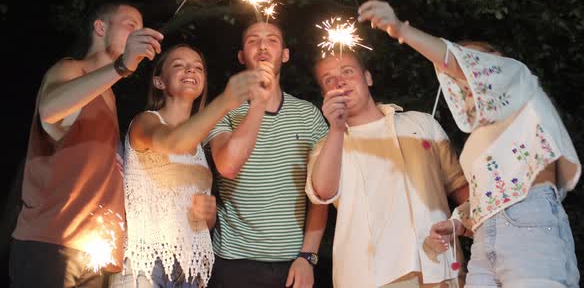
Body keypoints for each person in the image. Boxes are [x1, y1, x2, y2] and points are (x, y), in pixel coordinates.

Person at [357, 0, 581, 287]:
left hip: (530, 222)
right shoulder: (478, 139)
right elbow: (485, 193)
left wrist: (400, 29)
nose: (466, 77)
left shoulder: (518, 77)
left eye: (474, 63)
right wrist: (457, 223)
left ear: (495, 60)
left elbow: (454, 61)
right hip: (485, 239)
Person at [10, 2, 164, 287]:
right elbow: (51, 110)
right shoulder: (70, 69)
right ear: (100, 28)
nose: (138, 33)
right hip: (53, 242)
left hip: (95, 251)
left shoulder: (110, 98)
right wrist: (121, 67)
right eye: (130, 25)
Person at [305, 51, 469, 288]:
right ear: (325, 95)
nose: (340, 81)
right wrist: (337, 129)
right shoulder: (326, 147)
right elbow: (323, 192)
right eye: (329, 79)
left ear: (368, 78)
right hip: (369, 278)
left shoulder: (422, 124)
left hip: (440, 269)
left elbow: (462, 190)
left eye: (348, 72)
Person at [108, 44, 265, 288]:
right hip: (146, 266)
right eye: (179, 65)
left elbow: (203, 219)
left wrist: (209, 214)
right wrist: (225, 101)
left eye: (198, 67)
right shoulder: (145, 122)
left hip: (191, 270)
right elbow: (173, 142)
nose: (190, 70)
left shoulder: (201, 145)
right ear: (159, 81)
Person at [204, 21, 329, 288]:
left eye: (272, 40)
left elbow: (320, 196)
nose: (262, 46)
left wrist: (308, 257)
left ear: (285, 54)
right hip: (233, 262)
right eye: (253, 40)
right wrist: (258, 101)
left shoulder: (309, 116)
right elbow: (227, 166)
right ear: (241, 56)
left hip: (292, 264)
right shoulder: (223, 109)